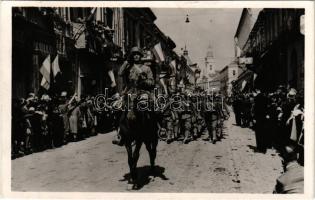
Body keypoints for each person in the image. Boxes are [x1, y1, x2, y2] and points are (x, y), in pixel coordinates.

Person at [253, 88, 268, 153]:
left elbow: (256, 109)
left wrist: (254, 118)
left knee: (258, 133)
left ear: (256, 91)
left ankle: (259, 148)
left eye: (253, 93)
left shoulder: (256, 98)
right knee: (264, 133)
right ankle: (264, 149)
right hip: (264, 118)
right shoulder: (265, 97)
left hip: (258, 118)